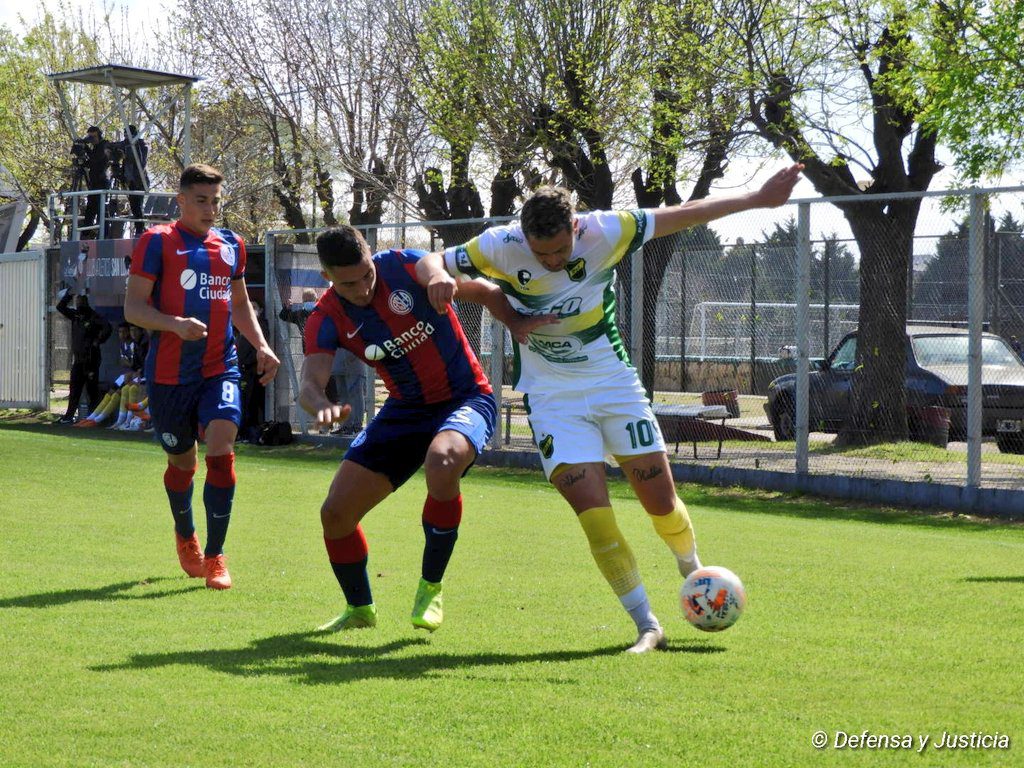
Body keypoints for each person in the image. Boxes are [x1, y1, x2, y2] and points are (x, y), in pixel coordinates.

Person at [420, 164, 803, 652]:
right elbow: (430, 262)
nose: (553, 260)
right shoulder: (499, 245)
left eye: (561, 249)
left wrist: (755, 199)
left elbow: (683, 213)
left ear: (576, 227)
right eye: (542, 253)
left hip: (614, 386)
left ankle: (695, 577)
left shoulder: (608, 229)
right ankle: (647, 626)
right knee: (596, 518)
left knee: (660, 502)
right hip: (553, 397)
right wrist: (437, 278)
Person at [299, 225, 550, 633]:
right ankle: (360, 610)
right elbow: (309, 384)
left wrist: (516, 324)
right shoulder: (327, 317)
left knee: (442, 459)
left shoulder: (403, 268)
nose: (363, 288)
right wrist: (323, 405)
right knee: (335, 514)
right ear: (327, 277)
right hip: (405, 411)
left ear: (371, 256)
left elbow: (485, 292)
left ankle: (430, 586)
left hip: (466, 397)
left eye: (366, 274)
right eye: (349, 283)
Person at [124, 163, 280, 590]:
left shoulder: (232, 244)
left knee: (222, 443)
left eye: (215, 201)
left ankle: (215, 556)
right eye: (201, 201)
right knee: (182, 462)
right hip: (170, 376)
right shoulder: (156, 242)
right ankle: (185, 535)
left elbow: (241, 304)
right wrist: (174, 323)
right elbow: (133, 309)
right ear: (181, 200)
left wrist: (262, 345)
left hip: (220, 366)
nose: (210, 209)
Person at [55, 288, 112, 424]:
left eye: (81, 301)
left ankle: (94, 419)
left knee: (92, 390)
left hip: (91, 359)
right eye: (77, 301)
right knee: (74, 389)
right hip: (79, 360)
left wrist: (99, 340)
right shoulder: (75, 316)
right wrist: (68, 295)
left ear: (86, 302)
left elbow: (108, 328)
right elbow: (60, 307)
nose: (79, 304)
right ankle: (68, 417)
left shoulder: (94, 317)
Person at [81, 126, 111, 237]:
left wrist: (86, 148)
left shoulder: (104, 145)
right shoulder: (96, 147)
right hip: (94, 183)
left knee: (101, 209)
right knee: (90, 209)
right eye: (90, 137)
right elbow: (92, 162)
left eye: (93, 137)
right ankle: (86, 233)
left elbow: (96, 158)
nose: (91, 140)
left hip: (102, 182)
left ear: (99, 135)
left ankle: (104, 234)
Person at [121, 125, 149, 237]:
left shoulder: (141, 145)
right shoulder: (125, 145)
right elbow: (118, 145)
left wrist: (127, 153)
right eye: (125, 135)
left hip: (140, 181)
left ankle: (140, 231)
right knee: (134, 206)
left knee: (137, 206)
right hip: (131, 181)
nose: (126, 137)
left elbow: (140, 162)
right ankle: (140, 230)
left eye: (128, 135)